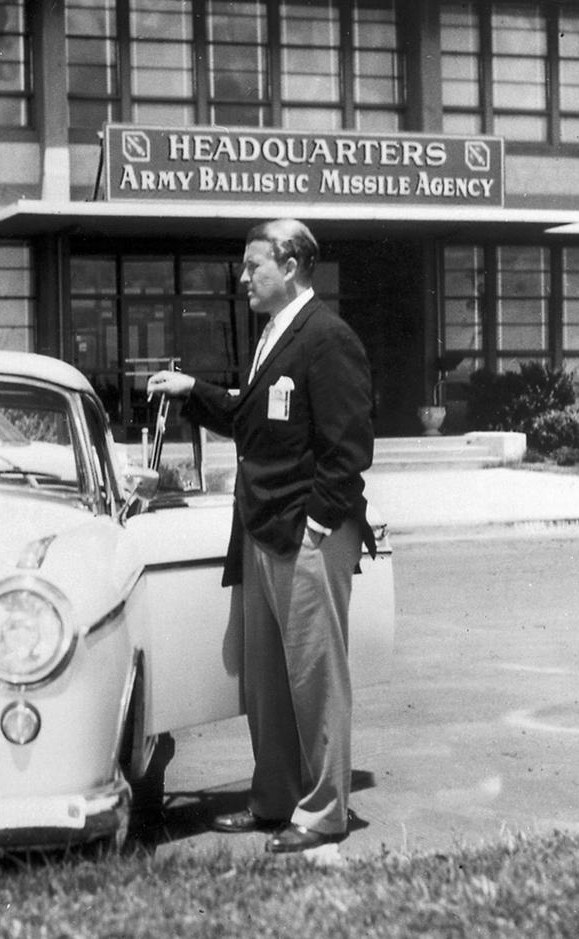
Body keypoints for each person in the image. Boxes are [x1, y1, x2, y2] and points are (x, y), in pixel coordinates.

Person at [146, 218, 375, 854]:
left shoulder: (328, 338)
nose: (243, 278)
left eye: (254, 266)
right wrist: (194, 392)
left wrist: (318, 525)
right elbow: (256, 417)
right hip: (261, 526)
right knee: (268, 681)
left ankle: (325, 812)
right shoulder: (275, 333)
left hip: (305, 531)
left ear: (292, 267)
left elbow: (349, 446)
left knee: (315, 677)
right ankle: (275, 798)